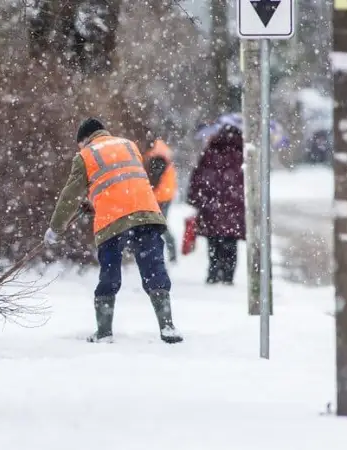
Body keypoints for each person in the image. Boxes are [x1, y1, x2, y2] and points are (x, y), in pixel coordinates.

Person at [44, 117, 183, 344]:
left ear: (85, 139)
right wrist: (95, 201)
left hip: (112, 221)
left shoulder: (85, 155)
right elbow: (122, 181)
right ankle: (167, 326)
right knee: (153, 269)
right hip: (146, 214)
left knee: (109, 274)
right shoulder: (129, 145)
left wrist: (56, 227)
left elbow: (70, 196)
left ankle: (104, 332)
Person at [186, 122, 245, 285]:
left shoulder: (210, 152)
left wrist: (194, 198)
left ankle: (213, 272)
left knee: (214, 241)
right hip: (234, 207)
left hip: (211, 205)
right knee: (230, 242)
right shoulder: (241, 153)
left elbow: (198, 178)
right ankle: (228, 276)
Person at [140, 129, 178, 263]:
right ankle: (168, 252)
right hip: (165, 194)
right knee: (159, 225)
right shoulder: (161, 151)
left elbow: (154, 179)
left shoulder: (157, 156)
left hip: (160, 196)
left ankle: (164, 253)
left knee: (158, 225)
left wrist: (146, 191)